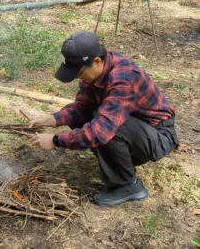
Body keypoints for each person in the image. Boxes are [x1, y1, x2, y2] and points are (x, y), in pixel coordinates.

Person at [29, 31, 179, 206]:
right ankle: (120, 162)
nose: (78, 78)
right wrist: (52, 119)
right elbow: (81, 108)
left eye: (79, 73)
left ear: (97, 61)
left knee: (107, 128)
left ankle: (128, 186)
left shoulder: (123, 79)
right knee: (86, 118)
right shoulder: (96, 72)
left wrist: (55, 140)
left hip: (158, 135)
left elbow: (101, 130)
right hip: (136, 129)